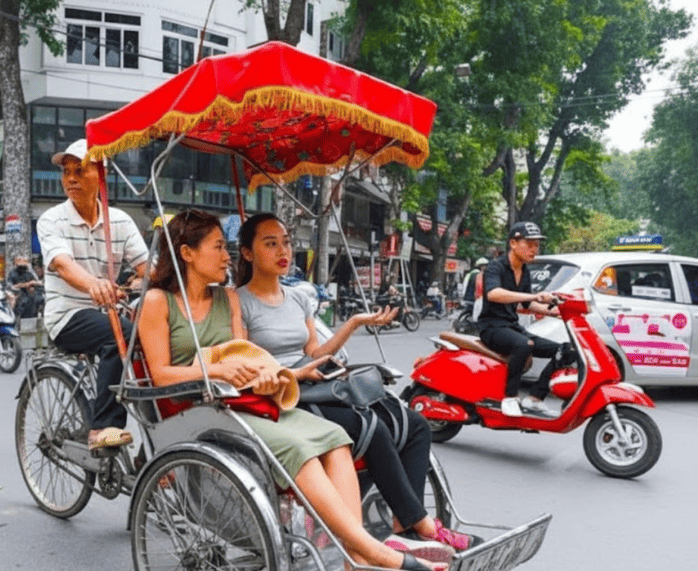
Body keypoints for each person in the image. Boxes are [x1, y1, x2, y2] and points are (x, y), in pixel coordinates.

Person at [136, 210, 445, 570]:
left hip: (243, 401)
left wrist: (276, 376)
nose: (226, 257)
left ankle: (354, 559)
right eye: (218, 247)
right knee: (301, 450)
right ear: (187, 253)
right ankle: (374, 554)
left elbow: (246, 356)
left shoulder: (227, 300)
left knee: (336, 439)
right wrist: (215, 369)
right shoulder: (157, 301)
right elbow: (160, 375)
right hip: (195, 409)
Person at [235, 213, 478, 553]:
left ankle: (403, 528)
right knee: (372, 428)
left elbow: (314, 352)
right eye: (270, 243)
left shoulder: (298, 298)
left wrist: (354, 323)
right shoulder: (239, 301)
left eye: (286, 242)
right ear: (247, 253)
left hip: (318, 382)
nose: (283, 251)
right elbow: (244, 358)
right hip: (284, 394)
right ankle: (422, 525)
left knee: (416, 424)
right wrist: (295, 374)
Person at [38, 139, 148, 452]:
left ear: (101, 174)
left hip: (108, 312)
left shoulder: (121, 221)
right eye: (66, 172)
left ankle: (153, 450)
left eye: (79, 170)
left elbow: (147, 267)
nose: (70, 179)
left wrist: (147, 279)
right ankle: (103, 428)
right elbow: (62, 265)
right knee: (119, 335)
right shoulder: (52, 220)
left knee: (155, 342)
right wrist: (93, 285)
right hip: (67, 316)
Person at [478, 222, 562, 418]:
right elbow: (493, 294)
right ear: (513, 243)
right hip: (491, 328)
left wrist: (555, 312)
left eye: (537, 245)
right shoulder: (495, 267)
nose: (534, 250)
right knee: (524, 344)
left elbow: (527, 304)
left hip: (512, 327)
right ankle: (510, 397)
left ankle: (535, 398)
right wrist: (533, 296)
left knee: (564, 350)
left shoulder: (525, 272)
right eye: (529, 244)